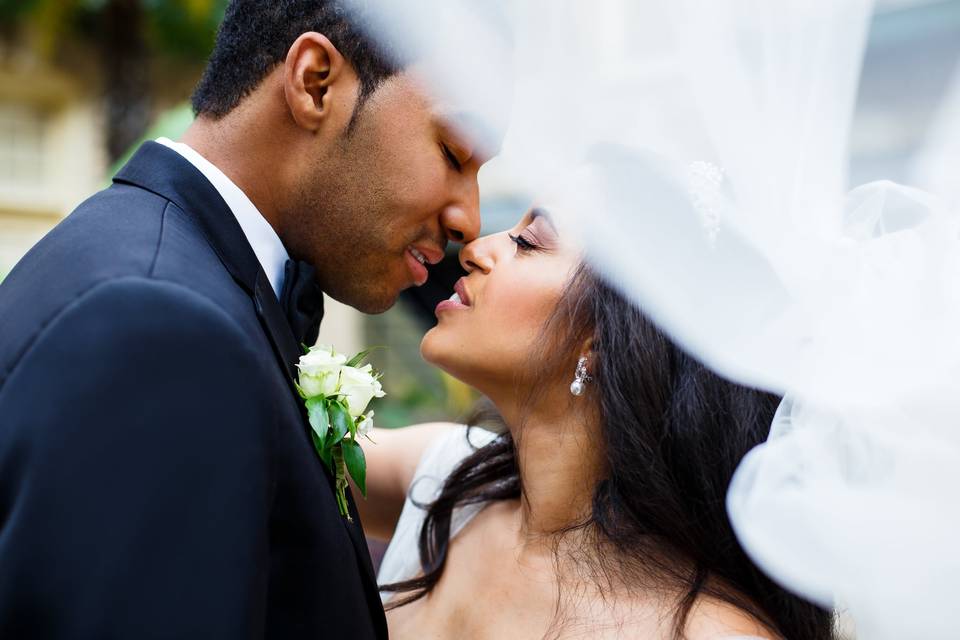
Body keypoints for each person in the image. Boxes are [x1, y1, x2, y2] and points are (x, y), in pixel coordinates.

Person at [0, 1, 493, 638]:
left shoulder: (148, 267)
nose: (470, 221)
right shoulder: (163, 330)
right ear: (316, 82)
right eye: (454, 153)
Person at [357, 208, 835, 640]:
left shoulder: (708, 633)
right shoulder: (447, 481)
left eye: (529, 242)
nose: (476, 249)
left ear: (603, 339)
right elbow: (284, 443)